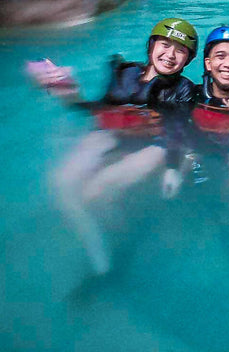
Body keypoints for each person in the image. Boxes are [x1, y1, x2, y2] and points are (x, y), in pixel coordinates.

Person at [32, 17, 198, 275]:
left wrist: (173, 168)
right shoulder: (126, 73)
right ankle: (97, 246)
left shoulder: (183, 89)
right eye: (164, 45)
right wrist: (69, 93)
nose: (170, 54)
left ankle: (117, 250)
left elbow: (177, 128)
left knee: (95, 192)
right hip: (114, 134)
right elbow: (100, 110)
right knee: (60, 183)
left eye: (180, 50)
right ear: (151, 46)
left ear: (187, 59)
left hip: (158, 143)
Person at [161, 26, 229, 197]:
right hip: (200, 148)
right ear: (208, 63)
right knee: (182, 159)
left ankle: (226, 212)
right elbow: (176, 129)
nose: (227, 64)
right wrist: (172, 167)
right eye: (220, 56)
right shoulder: (192, 95)